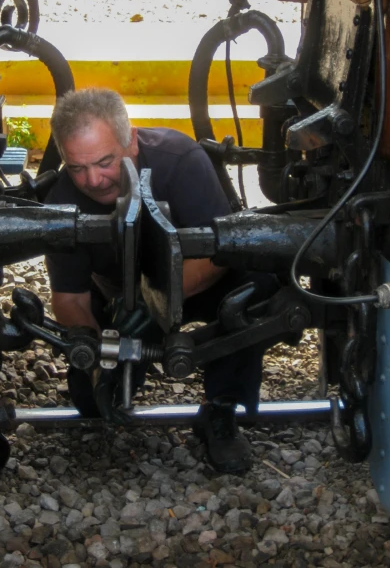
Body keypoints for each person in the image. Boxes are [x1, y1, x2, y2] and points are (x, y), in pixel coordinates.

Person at [45, 88, 278, 473]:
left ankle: (221, 408)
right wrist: (100, 362)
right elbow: (70, 299)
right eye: (77, 168)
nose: (94, 180)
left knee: (255, 282)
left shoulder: (180, 160)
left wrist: (154, 299)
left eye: (104, 162)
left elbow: (217, 255)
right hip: (120, 305)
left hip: (198, 284)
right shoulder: (62, 200)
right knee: (89, 401)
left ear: (131, 141)